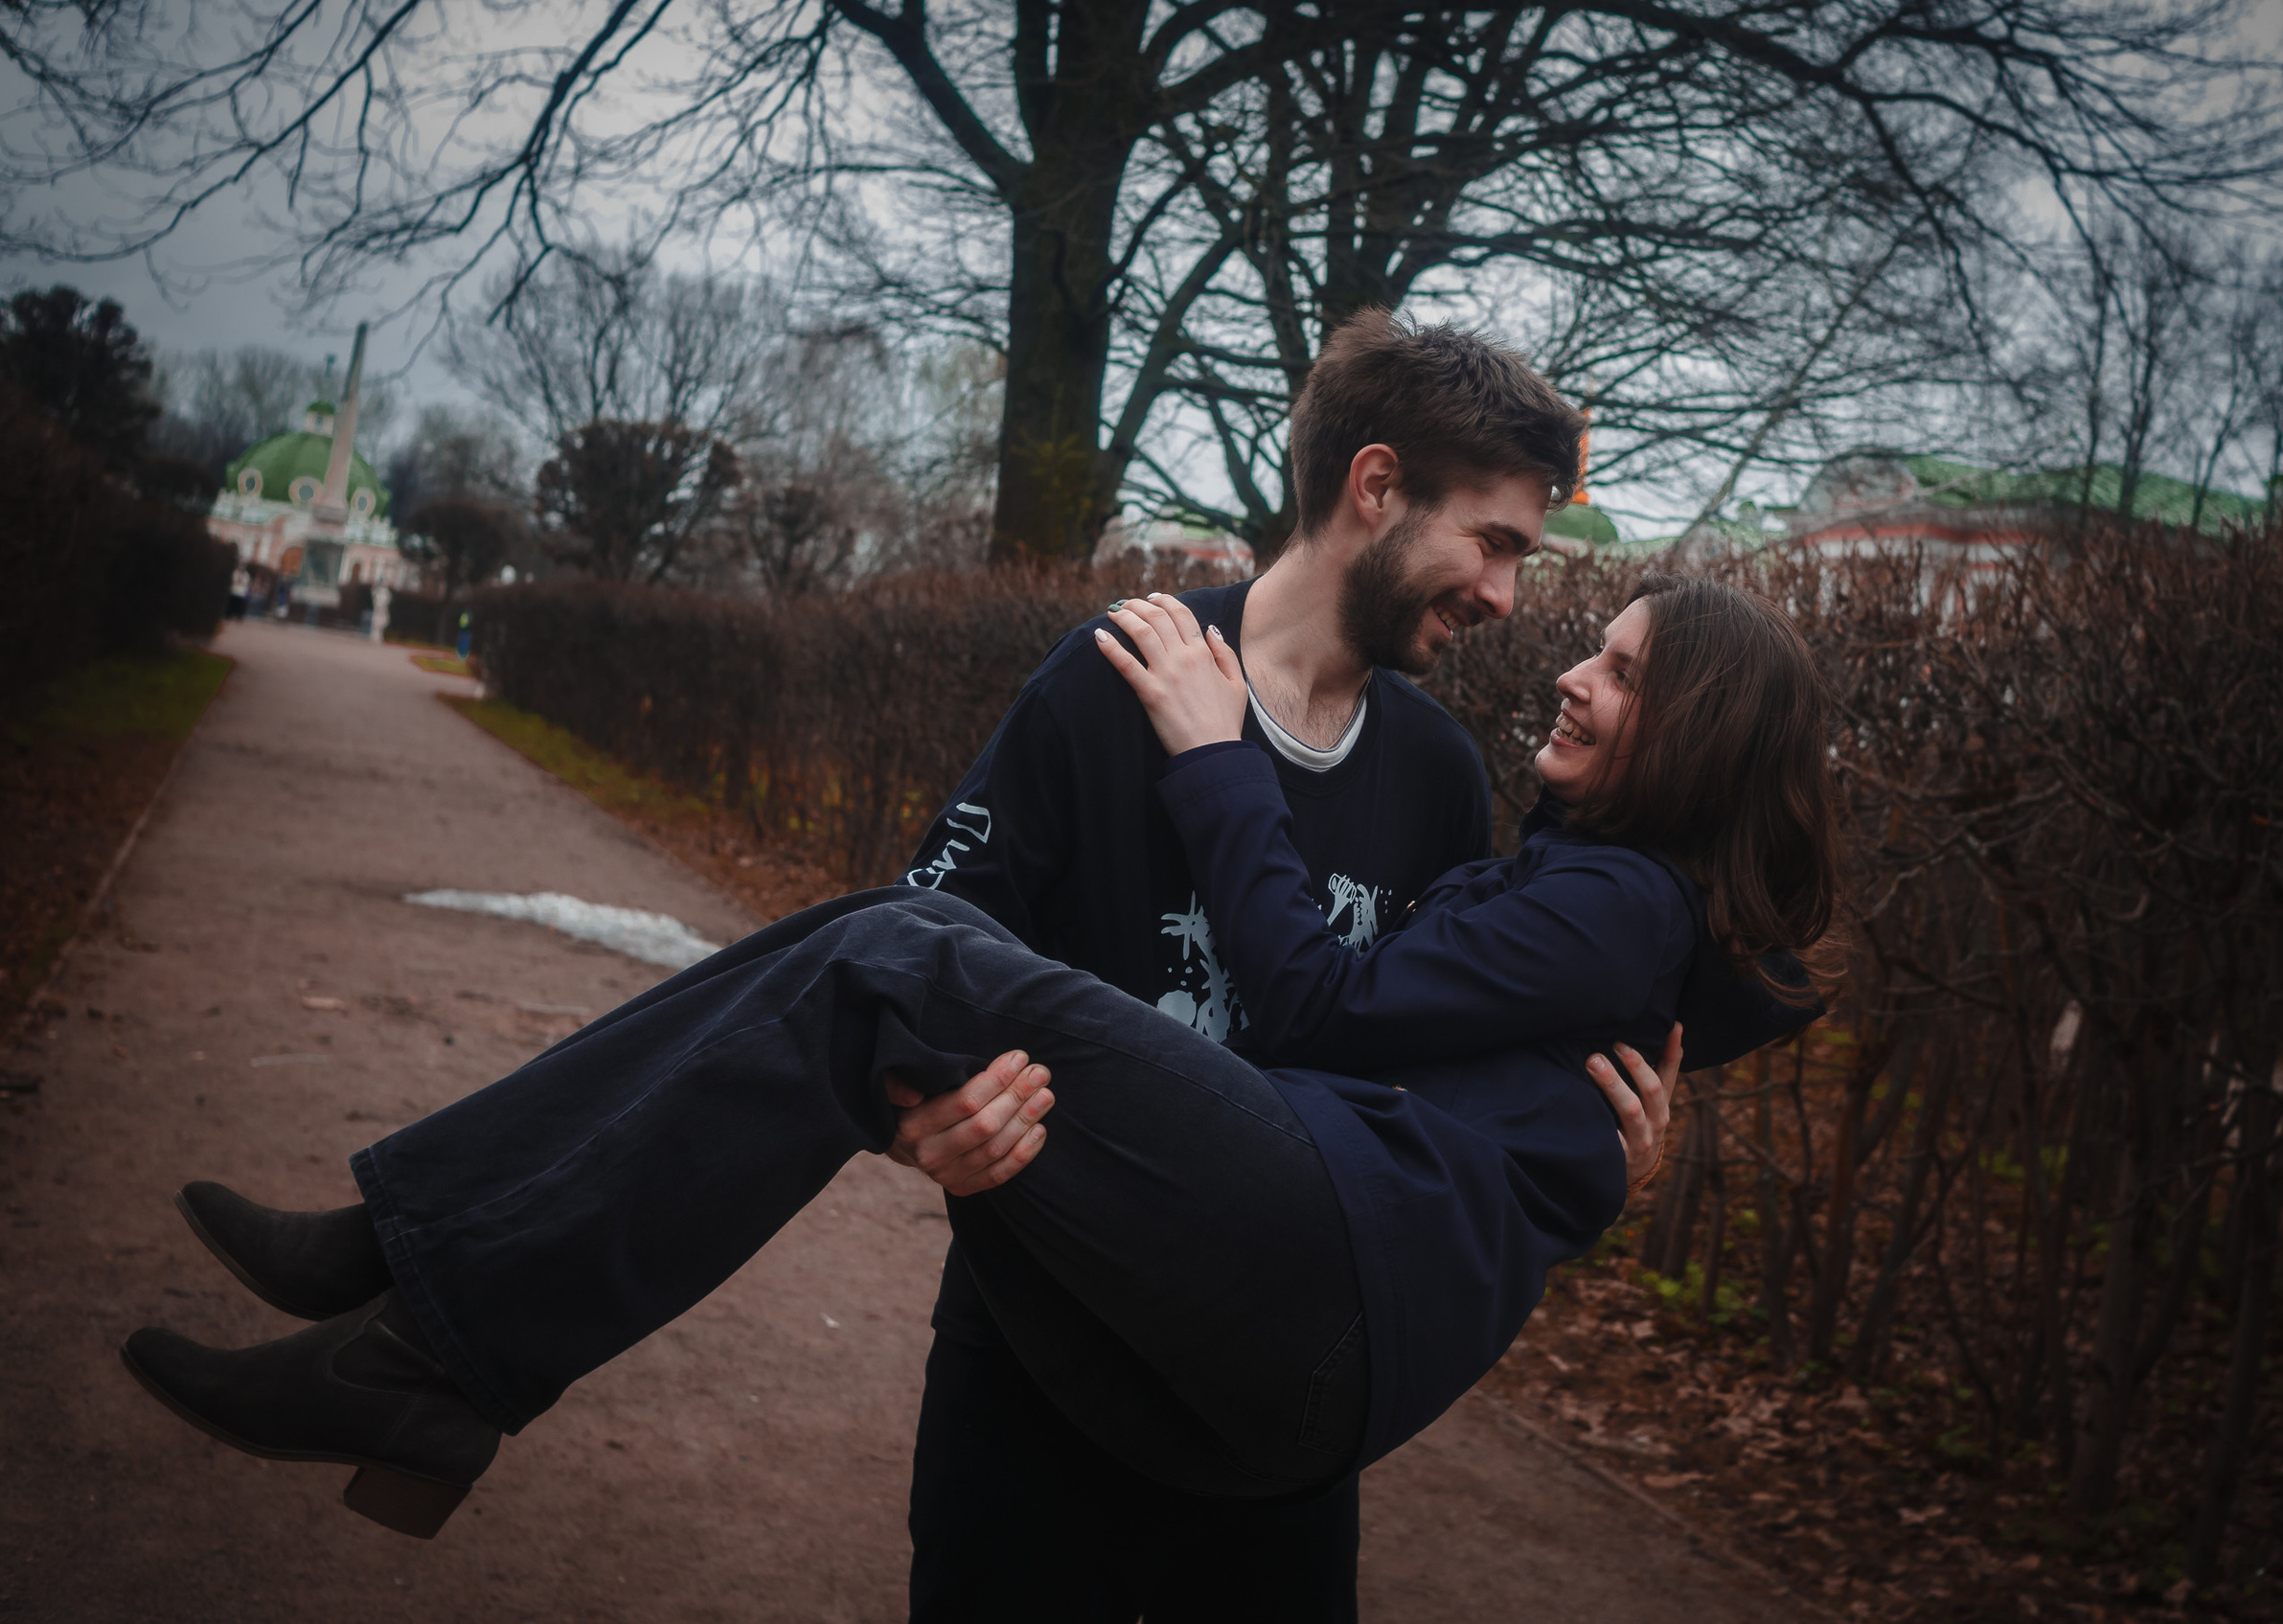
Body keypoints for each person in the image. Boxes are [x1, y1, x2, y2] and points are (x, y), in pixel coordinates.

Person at [118, 573, 1839, 1564]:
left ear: (1696, 725)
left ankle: (430, 1316)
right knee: (877, 940)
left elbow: (1318, 1007)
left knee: (893, 952)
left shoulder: (1614, 899)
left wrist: (1217, 757)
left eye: (1615, 663)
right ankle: (414, 1257)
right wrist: (1596, 1177)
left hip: (1319, 1254)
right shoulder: (1611, 906)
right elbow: (1518, 1124)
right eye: (1588, 635)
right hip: (1322, 1260)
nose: (1560, 654)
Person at [892, 309, 1563, 1621]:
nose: (1505, 596)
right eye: (1493, 543)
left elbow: (1429, 1068)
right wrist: (927, 1104)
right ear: (1377, 487)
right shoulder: (1114, 677)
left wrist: (1582, 1130)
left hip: (1285, 1411)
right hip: (1038, 1366)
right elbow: (928, 939)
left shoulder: (1438, 777)